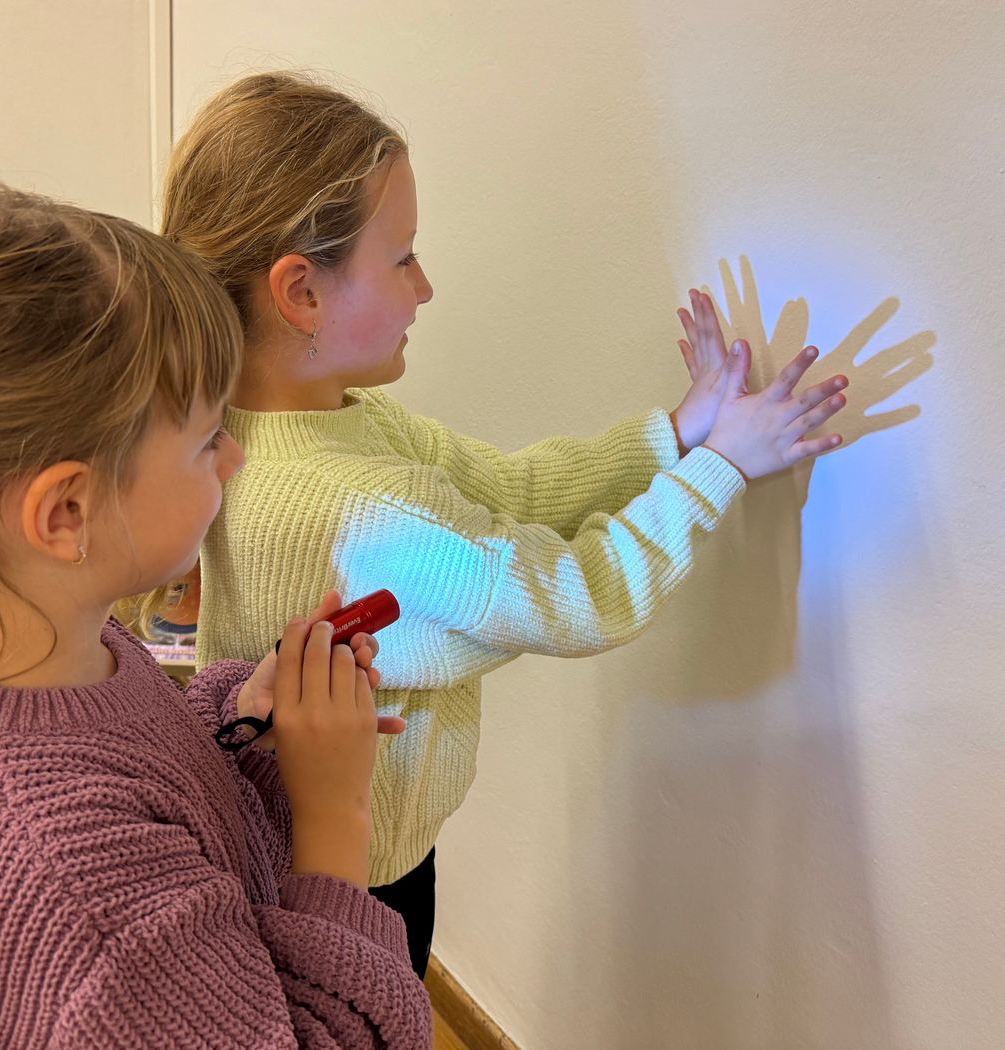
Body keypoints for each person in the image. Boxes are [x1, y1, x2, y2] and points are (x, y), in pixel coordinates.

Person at [159, 71, 849, 978]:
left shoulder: (286, 428)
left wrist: (676, 436)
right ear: (302, 293)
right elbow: (577, 597)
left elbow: (508, 488)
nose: (427, 286)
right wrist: (723, 468)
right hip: (353, 881)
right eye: (403, 257)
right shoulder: (360, 503)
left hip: (293, 848)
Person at [0, 180, 431, 1047]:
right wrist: (336, 818)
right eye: (209, 435)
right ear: (67, 514)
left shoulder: (25, 654)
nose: (237, 456)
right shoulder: (90, 896)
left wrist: (242, 718)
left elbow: (151, 777)